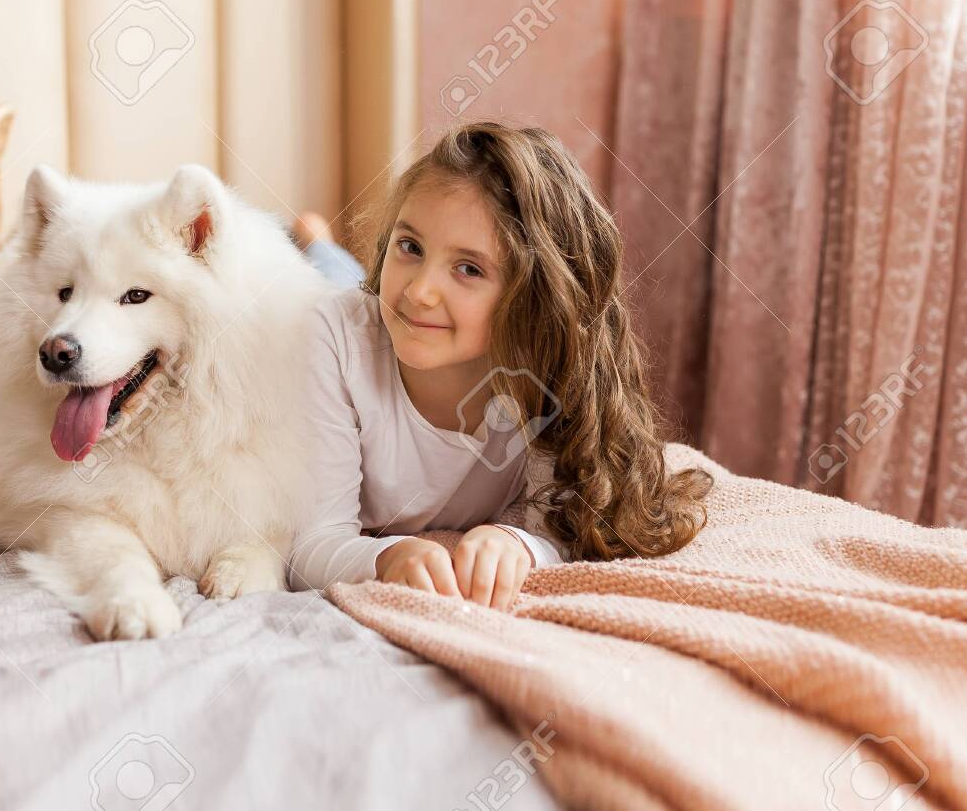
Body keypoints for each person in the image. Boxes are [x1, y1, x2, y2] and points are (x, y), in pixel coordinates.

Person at [288, 122, 712, 612]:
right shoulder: (333, 336)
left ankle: (323, 242)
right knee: (328, 279)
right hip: (335, 302)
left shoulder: (541, 372)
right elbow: (311, 545)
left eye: (468, 268)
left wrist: (519, 545)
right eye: (410, 246)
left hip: (393, 315)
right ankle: (317, 241)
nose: (421, 290)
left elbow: (566, 526)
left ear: (532, 297)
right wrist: (385, 558)